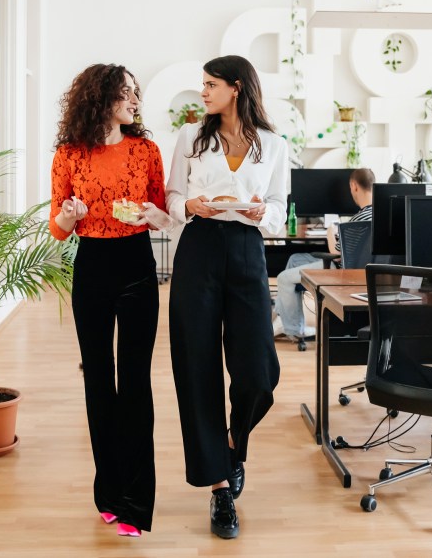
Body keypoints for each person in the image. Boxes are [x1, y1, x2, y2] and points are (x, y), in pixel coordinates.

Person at [165, 55, 287, 540]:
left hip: (247, 250)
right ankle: (219, 489)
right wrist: (190, 205)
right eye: (203, 84)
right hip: (198, 248)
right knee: (196, 367)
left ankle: (233, 443)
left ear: (236, 88)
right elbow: (173, 197)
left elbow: (278, 207)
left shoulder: (273, 144)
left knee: (259, 372)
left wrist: (262, 215)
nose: (204, 92)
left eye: (211, 84)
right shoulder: (191, 137)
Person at [49, 64, 166, 539]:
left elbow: (161, 215)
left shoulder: (146, 151)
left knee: (135, 382)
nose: (135, 101)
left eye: (136, 93)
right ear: (100, 98)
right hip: (92, 267)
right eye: (126, 93)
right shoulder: (69, 154)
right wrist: (69, 214)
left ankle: (136, 503)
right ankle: (108, 493)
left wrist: (152, 214)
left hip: (137, 265)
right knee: (98, 381)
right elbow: (58, 229)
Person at [273, 167, 375, 341]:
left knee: (283, 278)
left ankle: (294, 330)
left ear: (354, 186)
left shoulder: (358, 219)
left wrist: (330, 231)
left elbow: (336, 253)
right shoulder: (377, 214)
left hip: (341, 271)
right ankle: (287, 318)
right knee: (294, 259)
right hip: (363, 271)